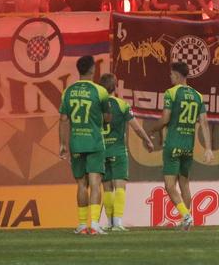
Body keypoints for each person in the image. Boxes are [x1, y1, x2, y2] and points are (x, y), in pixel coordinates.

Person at [143, 60, 213, 230]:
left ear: (176, 75)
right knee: (184, 184)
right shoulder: (197, 95)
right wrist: (208, 148)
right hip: (188, 146)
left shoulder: (171, 93)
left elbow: (165, 119)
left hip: (173, 143)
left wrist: (152, 130)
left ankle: (186, 216)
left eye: (171, 74)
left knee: (169, 185)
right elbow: (204, 123)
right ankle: (186, 221)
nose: (170, 77)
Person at [57, 56, 109, 236]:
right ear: (93, 70)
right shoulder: (100, 91)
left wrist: (63, 144)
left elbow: (63, 120)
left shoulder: (68, 91)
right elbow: (108, 117)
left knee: (81, 184)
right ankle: (94, 224)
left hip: (76, 142)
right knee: (95, 183)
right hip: (94, 141)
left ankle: (81, 224)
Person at [99, 72, 153, 231]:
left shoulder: (97, 105)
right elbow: (136, 127)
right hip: (118, 149)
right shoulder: (121, 104)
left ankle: (109, 223)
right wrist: (147, 140)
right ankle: (118, 223)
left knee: (107, 188)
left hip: (101, 151)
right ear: (115, 87)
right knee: (120, 186)